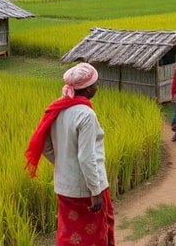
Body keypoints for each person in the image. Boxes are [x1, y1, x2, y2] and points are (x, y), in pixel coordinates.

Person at [25, 62, 115, 246]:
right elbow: (87, 157)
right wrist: (95, 191)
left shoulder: (58, 109)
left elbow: (45, 145)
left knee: (69, 234)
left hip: (64, 186)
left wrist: (64, 164)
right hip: (86, 189)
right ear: (88, 89)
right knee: (94, 236)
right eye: (95, 85)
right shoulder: (86, 115)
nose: (97, 88)